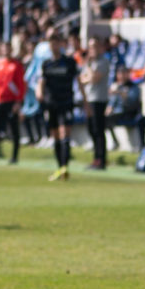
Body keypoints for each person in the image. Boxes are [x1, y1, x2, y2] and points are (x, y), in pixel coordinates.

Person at [38, 33, 79, 181]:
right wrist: (39, 92)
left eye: (56, 43)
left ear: (61, 44)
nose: (54, 46)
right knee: (55, 136)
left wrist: (85, 102)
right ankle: (59, 167)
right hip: (51, 103)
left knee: (65, 134)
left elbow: (78, 80)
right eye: (51, 43)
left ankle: (65, 167)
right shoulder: (46, 64)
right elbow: (41, 80)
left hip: (66, 101)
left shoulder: (69, 62)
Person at [0, 41, 25, 165]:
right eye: (4, 48)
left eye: (8, 48)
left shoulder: (16, 65)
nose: (6, 50)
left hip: (12, 101)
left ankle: (14, 156)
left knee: (14, 128)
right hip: (0, 100)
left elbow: (21, 84)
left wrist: (18, 102)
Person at [79, 36, 111, 170]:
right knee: (91, 129)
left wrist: (89, 71)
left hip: (99, 99)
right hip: (89, 98)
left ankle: (101, 159)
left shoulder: (103, 62)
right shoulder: (89, 63)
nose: (92, 50)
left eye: (94, 46)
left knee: (98, 129)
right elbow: (81, 79)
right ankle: (96, 157)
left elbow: (93, 78)